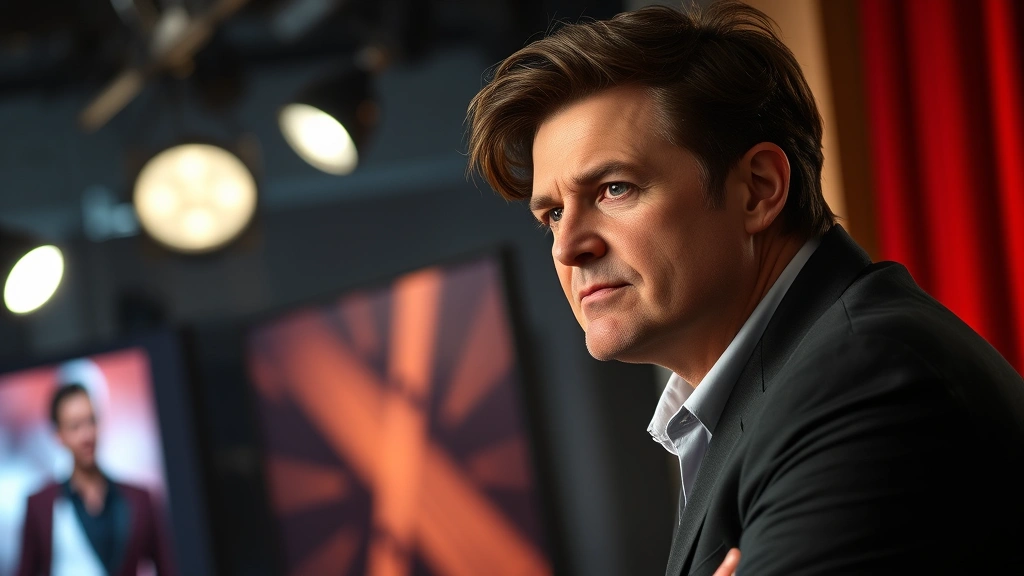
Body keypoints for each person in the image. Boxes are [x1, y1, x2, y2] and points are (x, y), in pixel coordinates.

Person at [466, 1, 1024, 574]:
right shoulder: (792, 382)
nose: (567, 247)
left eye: (614, 189)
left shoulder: (861, 378)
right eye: (554, 214)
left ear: (758, 189)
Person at [17, 383, 174, 576]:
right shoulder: (40, 506)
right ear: (59, 435)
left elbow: (167, 568)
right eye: (75, 426)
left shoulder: (139, 499)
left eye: (91, 421)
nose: (86, 435)